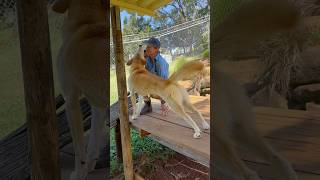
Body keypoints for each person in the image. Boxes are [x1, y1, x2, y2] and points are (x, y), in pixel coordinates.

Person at [140, 37, 170, 115]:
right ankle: (148, 105)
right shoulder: (148, 59)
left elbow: (164, 84)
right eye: (146, 46)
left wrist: (163, 102)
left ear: (156, 49)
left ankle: (166, 102)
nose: (146, 49)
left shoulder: (161, 63)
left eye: (149, 47)